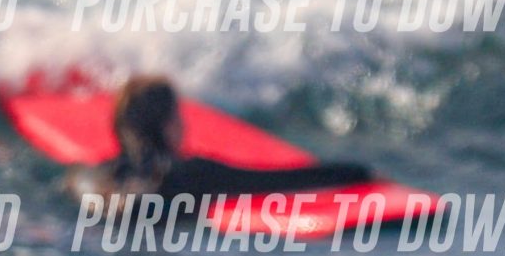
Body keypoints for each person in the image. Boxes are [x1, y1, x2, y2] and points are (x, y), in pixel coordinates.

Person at [71, 76, 375, 204]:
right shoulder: (186, 174)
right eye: (178, 116)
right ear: (167, 126)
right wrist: (358, 172)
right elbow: (276, 181)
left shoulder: (95, 175)